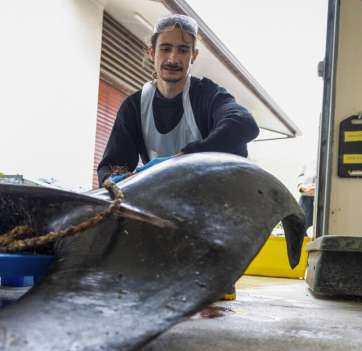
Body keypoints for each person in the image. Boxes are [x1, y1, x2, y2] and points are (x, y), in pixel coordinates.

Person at [96, 13, 259, 300]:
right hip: (162, 203)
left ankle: (218, 269)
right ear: (151, 52)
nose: (173, 58)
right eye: (165, 48)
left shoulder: (207, 95)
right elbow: (113, 164)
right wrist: (118, 179)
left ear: (193, 56)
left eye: (183, 50)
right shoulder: (135, 106)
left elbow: (243, 124)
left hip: (210, 205)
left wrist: (183, 157)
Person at [296, 163, 317, 234]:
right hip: (306, 200)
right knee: (302, 232)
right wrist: (302, 187)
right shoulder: (307, 161)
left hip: (320, 199)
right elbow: (300, 179)